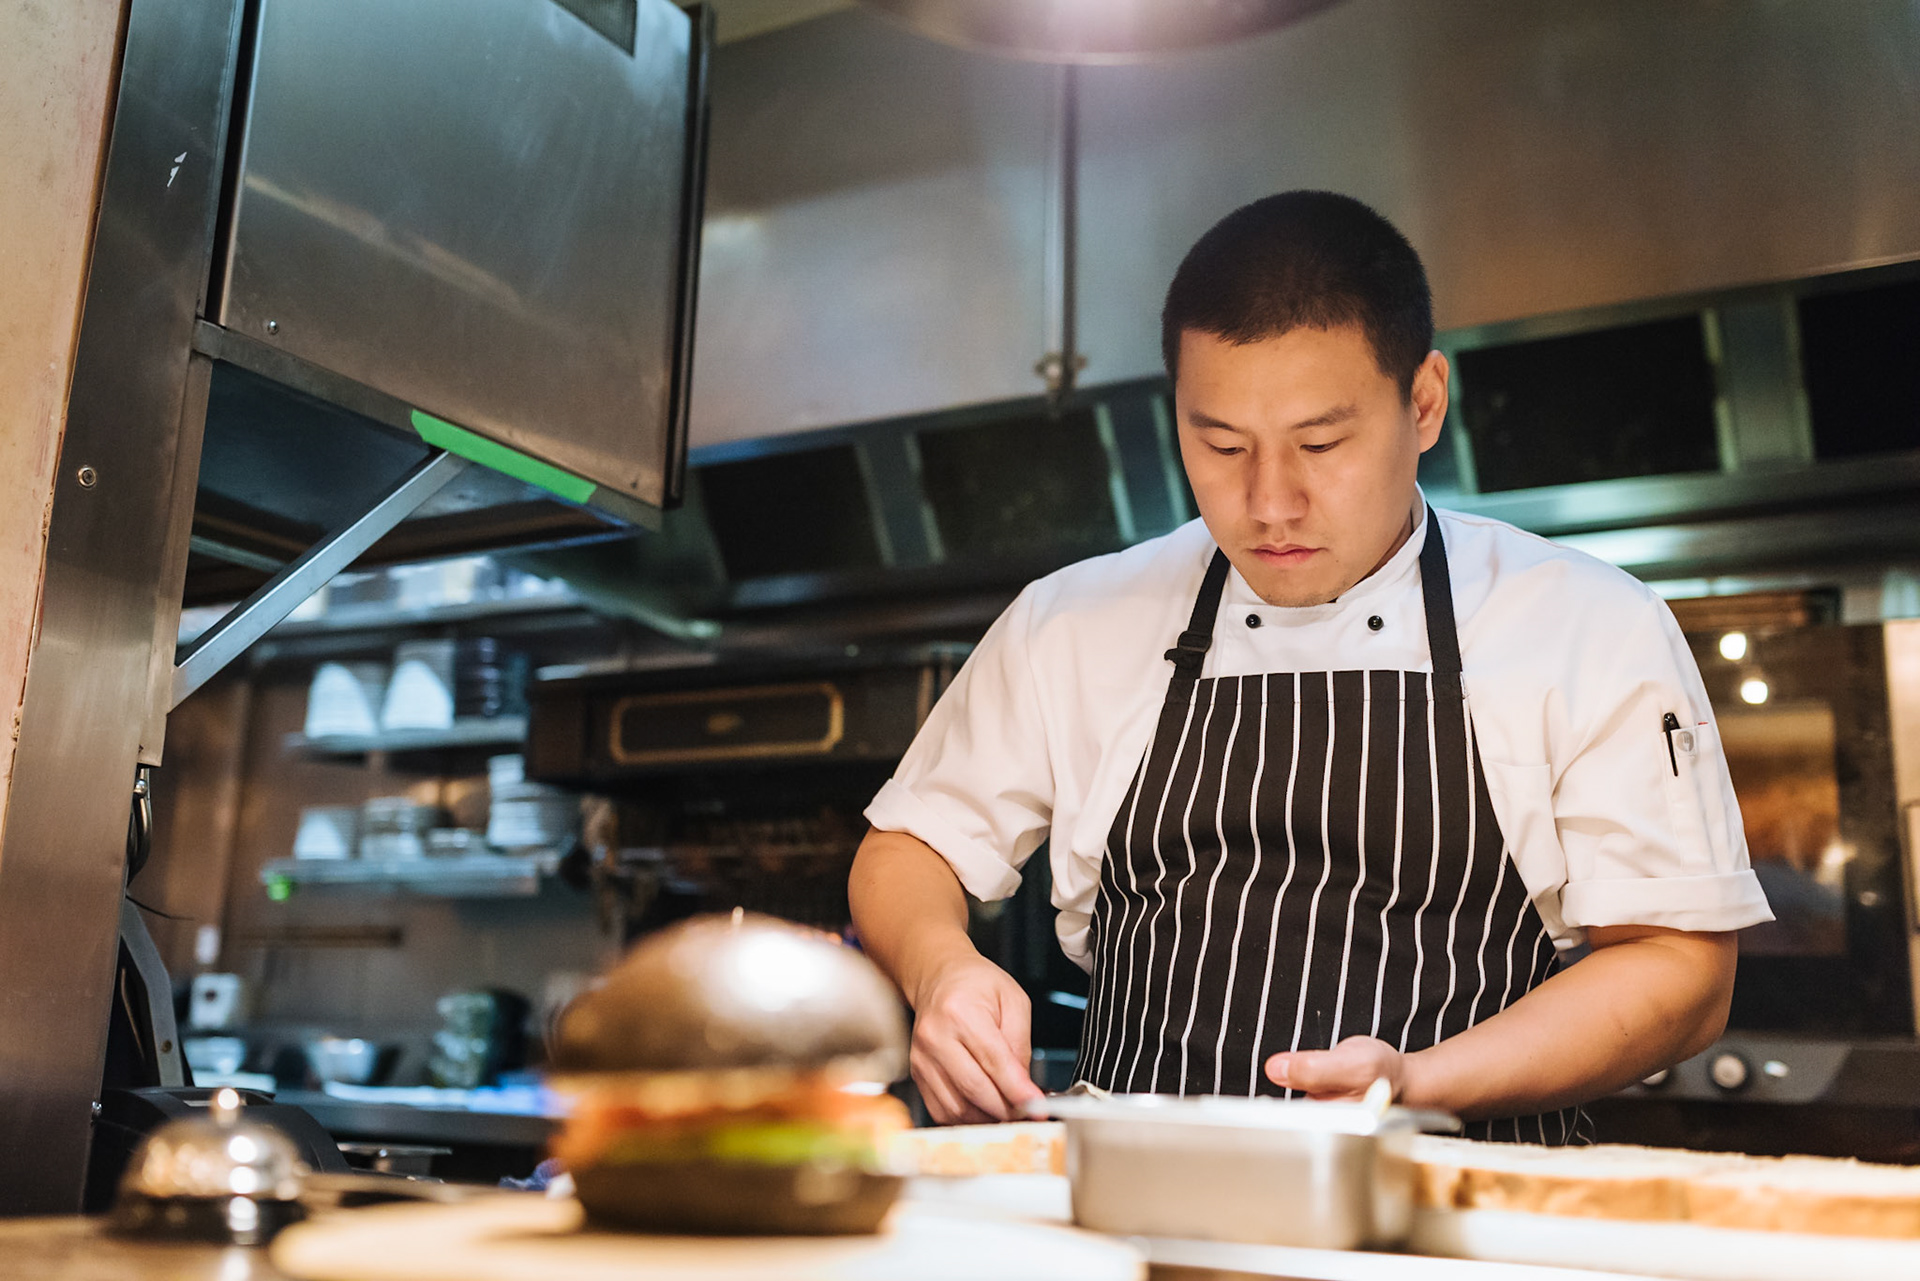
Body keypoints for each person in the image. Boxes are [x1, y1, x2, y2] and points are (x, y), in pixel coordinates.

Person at [848, 191, 1772, 1142]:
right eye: (1220, 445)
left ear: (1422, 403)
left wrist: (1415, 1082)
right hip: (1131, 1207)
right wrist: (941, 970)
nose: (1269, 503)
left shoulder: (1587, 623)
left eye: (1320, 445)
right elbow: (909, 845)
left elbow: (1680, 969)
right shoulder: (1073, 620)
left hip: (1456, 1217)